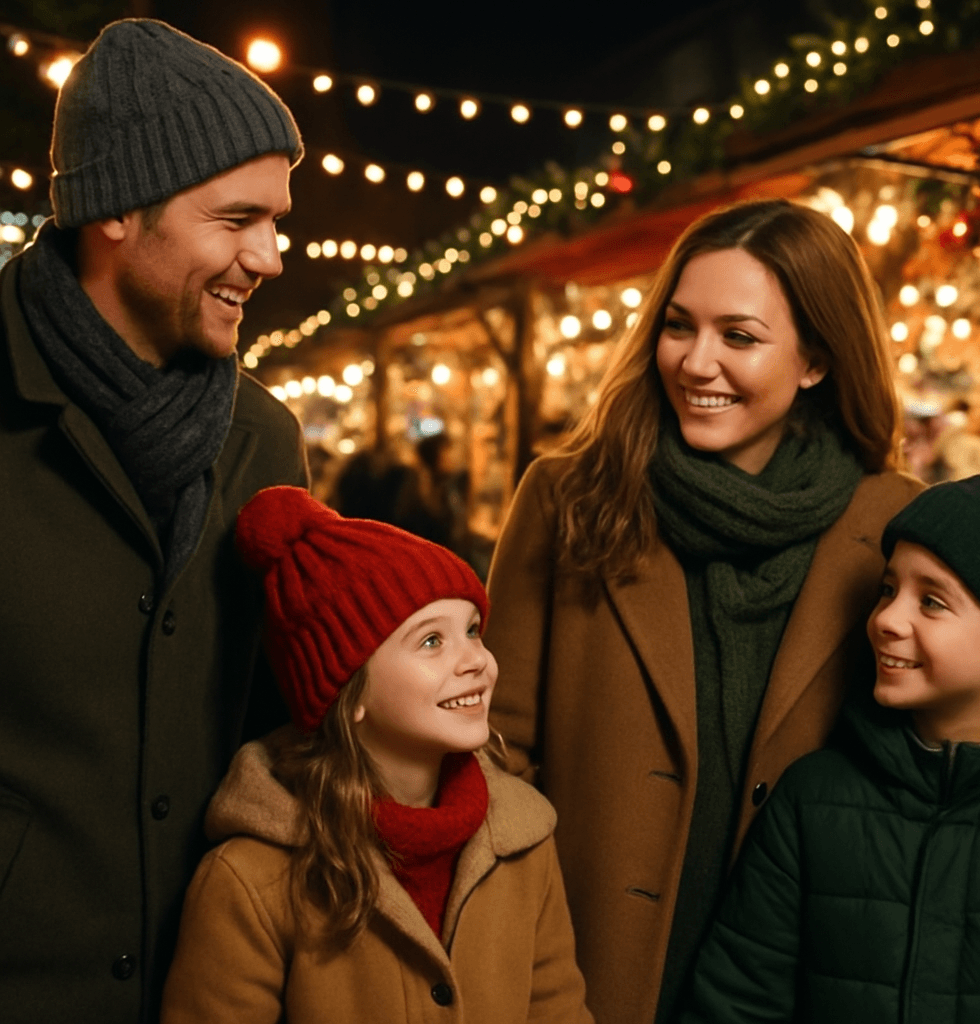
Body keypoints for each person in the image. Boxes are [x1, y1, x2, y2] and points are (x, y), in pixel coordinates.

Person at [484, 198, 924, 1024]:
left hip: (802, 980)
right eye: (679, 326)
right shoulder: (570, 495)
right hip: (580, 972)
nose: (694, 361)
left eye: (740, 336)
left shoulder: (894, 524)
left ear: (817, 361)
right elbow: (496, 752)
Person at [0, 19, 306, 1024]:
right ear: (115, 211)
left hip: (206, 987)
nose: (268, 256)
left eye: (276, 219)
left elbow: (280, 718)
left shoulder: (263, 436)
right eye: (236, 218)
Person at [159, 486, 593, 1024]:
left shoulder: (524, 841)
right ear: (350, 689)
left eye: (473, 630)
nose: (476, 660)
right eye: (431, 642)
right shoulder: (250, 881)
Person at [683, 472, 980, 1023]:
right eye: (888, 590)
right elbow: (735, 1002)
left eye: (932, 602)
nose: (887, 619)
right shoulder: (812, 800)